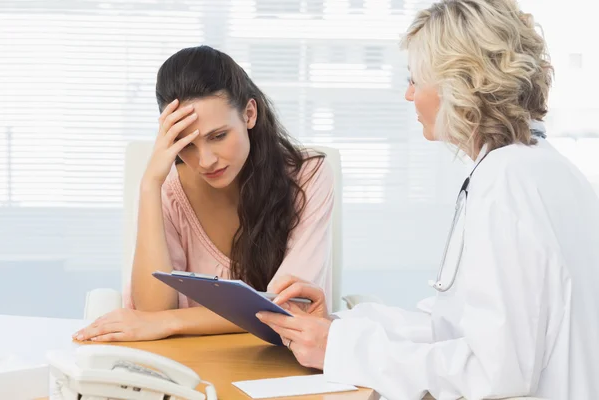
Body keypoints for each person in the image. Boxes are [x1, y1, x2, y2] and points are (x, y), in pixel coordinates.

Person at [257, 1, 599, 399]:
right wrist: (338, 328)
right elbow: (454, 326)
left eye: (416, 80)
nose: (408, 95)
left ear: (461, 84)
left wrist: (340, 348)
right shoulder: (540, 169)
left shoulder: (507, 182)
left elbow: (495, 372)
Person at [73, 45, 334, 342]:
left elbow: (289, 308)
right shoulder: (168, 191)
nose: (206, 160)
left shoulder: (308, 176)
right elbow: (151, 311)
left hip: (279, 367)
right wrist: (149, 187)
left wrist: (172, 322)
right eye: (187, 144)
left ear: (249, 114)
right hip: (190, 366)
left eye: (219, 136)